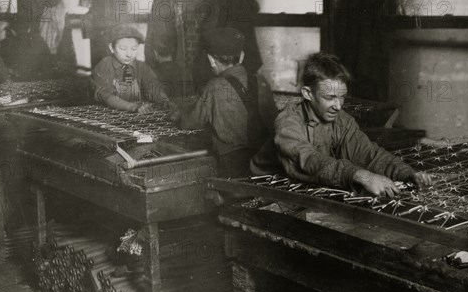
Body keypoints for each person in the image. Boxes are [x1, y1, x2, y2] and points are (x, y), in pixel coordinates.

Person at [274, 53, 432, 198]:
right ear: (308, 93)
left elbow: (367, 153)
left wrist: (406, 173)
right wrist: (363, 177)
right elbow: (309, 160)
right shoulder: (287, 122)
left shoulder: (341, 120)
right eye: (330, 97)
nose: (338, 106)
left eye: (342, 97)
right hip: (264, 190)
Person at [178, 27, 278, 178]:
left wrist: (180, 112)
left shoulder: (214, 86)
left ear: (211, 60)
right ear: (242, 56)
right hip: (266, 162)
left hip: (234, 166)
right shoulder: (260, 80)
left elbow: (189, 122)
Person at [92, 24, 174, 113]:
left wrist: (164, 101)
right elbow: (106, 95)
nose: (129, 54)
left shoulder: (141, 67)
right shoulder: (105, 66)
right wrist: (133, 107)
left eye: (134, 49)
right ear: (111, 48)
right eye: (123, 49)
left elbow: (153, 86)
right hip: (108, 114)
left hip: (135, 113)